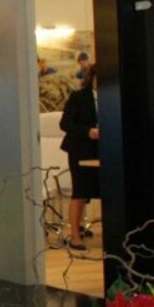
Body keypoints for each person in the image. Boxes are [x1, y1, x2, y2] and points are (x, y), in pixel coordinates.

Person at [60, 65, 99, 249]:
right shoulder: (79, 97)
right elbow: (65, 124)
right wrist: (87, 131)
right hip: (80, 149)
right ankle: (75, 236)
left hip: (102, 149)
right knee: (80, 191)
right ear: (92, 77)